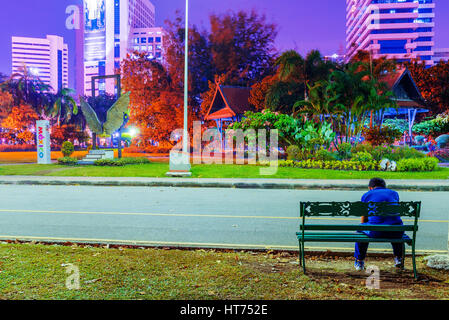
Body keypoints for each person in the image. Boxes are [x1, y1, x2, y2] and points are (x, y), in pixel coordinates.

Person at [354, 178, 406, 271]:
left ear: (370, 188)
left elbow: (364, 217)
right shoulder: (394, 193)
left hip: (376, 232)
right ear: (384, 187)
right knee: (394, 225)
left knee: (360, 231)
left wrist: (363, 226)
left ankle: (359, 260)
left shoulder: (367, 195)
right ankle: (398, 258)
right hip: (396, 232)